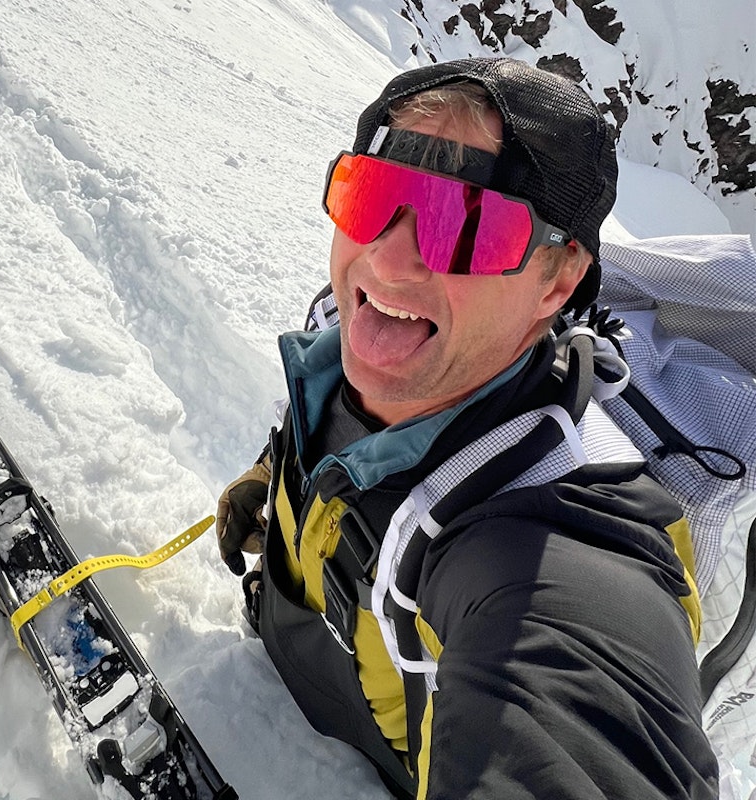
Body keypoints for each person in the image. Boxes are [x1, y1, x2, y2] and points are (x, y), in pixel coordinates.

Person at [216, 58, 719, 799]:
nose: (387, 261)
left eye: (468, 225)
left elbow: (580, 720)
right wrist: (275, 474)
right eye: (372, 196)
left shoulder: (556, 547)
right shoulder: (361, 333)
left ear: (558, 279)